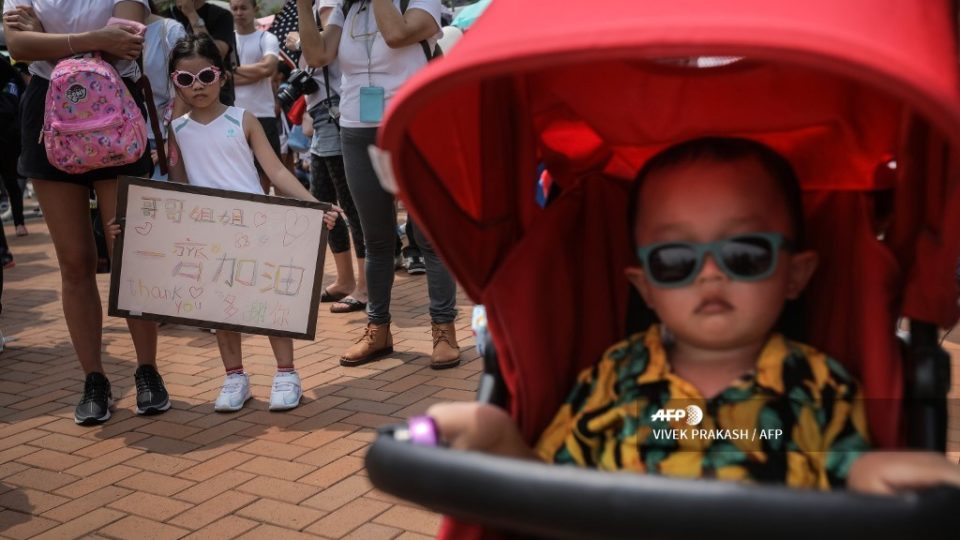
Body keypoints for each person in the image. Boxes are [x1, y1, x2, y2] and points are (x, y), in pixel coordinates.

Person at [426, 137, 960, 493]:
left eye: (745, 254)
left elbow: (848, 471)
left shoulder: (818, 387)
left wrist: (875, 473)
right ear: (646, 287)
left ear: (796, 275)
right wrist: (498, 439)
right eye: (677, 260)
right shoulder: (616, 379)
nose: (709, 275)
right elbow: (550, 485)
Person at [2, 0, 170, 425]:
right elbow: (18, 45)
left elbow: (126, 44)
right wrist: (95, 38)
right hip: (48, 113)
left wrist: (50, 41)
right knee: (74, 261)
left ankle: (147, 369)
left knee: (127, 255)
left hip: (115, 106)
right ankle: (93, 378)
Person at [152, 33, 338, 412]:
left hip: (256, 226)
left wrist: (314, 204)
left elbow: (278, 173)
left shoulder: (243, 119)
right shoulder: (178, 130)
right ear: (174, 82)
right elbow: (179, 186)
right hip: (209, 232)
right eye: (184, 79)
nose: (197, 86)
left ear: (221, 76)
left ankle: (286, 373)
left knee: (268, 302)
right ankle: (235, 375)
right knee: (221, 308)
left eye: (205, 75)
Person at [297, 0, 462, 369]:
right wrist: (303, 6)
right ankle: (378, 328)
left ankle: (443, 327)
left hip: (413, 125)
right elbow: (318, 54)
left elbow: (397, 33)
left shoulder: (419, 3)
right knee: (375, 238)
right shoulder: (347, 8)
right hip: (357, 128)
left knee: (428, 233)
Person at [286, 0, 368, 315]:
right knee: (322, 203)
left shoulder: (329, 3)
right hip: (321, 112)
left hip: (337, 110)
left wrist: (298, 39)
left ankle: (365, 286)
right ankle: (345, 279)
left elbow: (322, 50)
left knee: (350, 205)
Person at [229, 0, 281, 194]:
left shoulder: (266, 37)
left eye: (244, 7)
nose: (239, 12)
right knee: (236, 171)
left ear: (255, 9)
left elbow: (268, 68)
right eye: (234, 8)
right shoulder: (227, 40)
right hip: (234, 115)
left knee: (266, 172)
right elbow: (221, 77)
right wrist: (255, 73)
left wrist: (232, 73)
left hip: (263, 113)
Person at [144, 0, 187, 180]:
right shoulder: (98, 30)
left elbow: (186, 87)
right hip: (113, 141)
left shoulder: (170, 31)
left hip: (161, 139)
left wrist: (171, 142)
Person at [170, 0, 236, 105]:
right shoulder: (167, 17)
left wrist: (191, 14)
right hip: (178, 99)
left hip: (218, 101)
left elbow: (218, 53)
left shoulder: (222, 15)